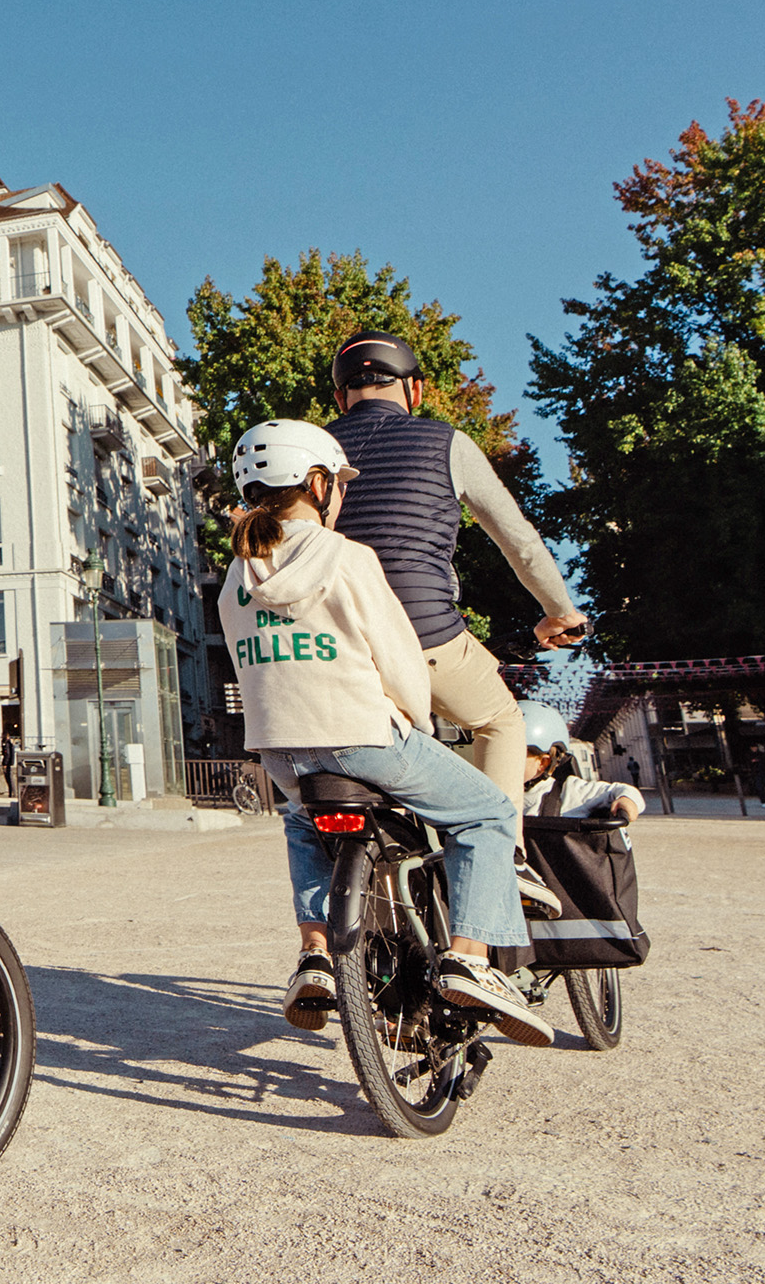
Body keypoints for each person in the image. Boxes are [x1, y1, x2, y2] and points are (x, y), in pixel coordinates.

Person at [217, 418, 549, 1048]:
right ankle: (472, 960)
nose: (341, 494)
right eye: (338, 484)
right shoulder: (348, 558)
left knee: (300, 821)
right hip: (361, 737)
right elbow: (400, 664)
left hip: (280, 753)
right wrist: (418, 722)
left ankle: (315, 952)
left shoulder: (238, 575)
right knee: (484, 811)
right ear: (318, 484)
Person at [324, 332, 588, 913]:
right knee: (499, 720)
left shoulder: (314, 453)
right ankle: (507, 858)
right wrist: (559, 612)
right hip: (425, 635)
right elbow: (517, 540)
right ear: (415, 388)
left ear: (342, 397)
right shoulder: (445, 441)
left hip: (334, 649)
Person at [518, 702, 645, 822]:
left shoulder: (570, 792)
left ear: (543, 763)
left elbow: (620, 790)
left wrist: (627, 800)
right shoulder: (499, 795)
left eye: (512, 755)